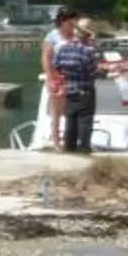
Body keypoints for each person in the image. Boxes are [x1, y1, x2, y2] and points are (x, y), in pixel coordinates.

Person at [49, 16, 102, 155]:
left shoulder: (63, 48)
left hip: (69, 89)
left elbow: (56, 66)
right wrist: (101, 69)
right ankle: (84, 150)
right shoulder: (88, 51)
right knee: (85, 120)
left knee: (70, 121)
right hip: (85, 89)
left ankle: (69, 149)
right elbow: (93, 72)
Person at [36, 7, 76, 148]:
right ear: (63, 21)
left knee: (72, 109)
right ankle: (56, 141)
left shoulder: (76, 35)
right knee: (57, 110)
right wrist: (50, 77)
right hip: (57, 74)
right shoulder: (52, 36)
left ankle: (70, 139)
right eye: (71, 21)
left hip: (74, 76)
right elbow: (46, 57)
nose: (73, 24)